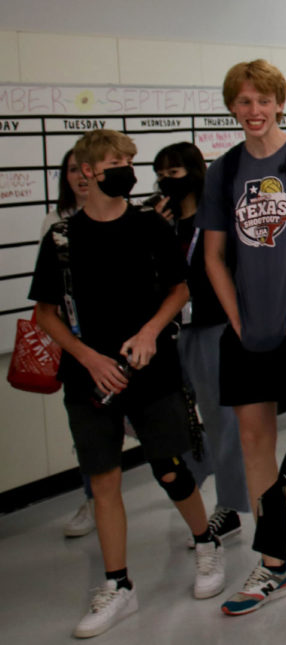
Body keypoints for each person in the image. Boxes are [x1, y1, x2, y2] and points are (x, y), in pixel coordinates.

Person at [29, 129, 225, 639]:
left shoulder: (149, 227)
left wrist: (150, 331)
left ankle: (205, 541)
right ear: (88, 171)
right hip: (90, 378)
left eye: (129, 160)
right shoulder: (61, 239)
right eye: (117, 161)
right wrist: (88, 358)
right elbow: (45, 315)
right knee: (104, 479)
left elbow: (179, 288)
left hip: (151, 372)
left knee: (170, 468)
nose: (129, 169)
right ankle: (118, 584)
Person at [196, 59, 286, 616]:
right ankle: (273, 561)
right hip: (247, 327)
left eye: (263, 100)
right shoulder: (224, 170)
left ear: (280, 102)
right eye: (243, 101)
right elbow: (215, 254)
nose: (255, 111)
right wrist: (236, 317)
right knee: (255, 442)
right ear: (232, 108)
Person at [151, 142, 251, 546]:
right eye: (161, 173)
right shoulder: (159, 220)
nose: (166, 181)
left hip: (212, 327)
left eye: (174, 173)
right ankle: (197, 472)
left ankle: (230, 505)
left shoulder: (215, 217)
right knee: (177, 417)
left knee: (222, 419)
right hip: (169, 330)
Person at [41, 149, 96, 538]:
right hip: (77, 343)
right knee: (88, 431)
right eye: (73, 169)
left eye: (87, 168)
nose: (80, 176)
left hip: (123, 344)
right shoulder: (54, 223)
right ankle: (93, 500)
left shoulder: (124, 215)